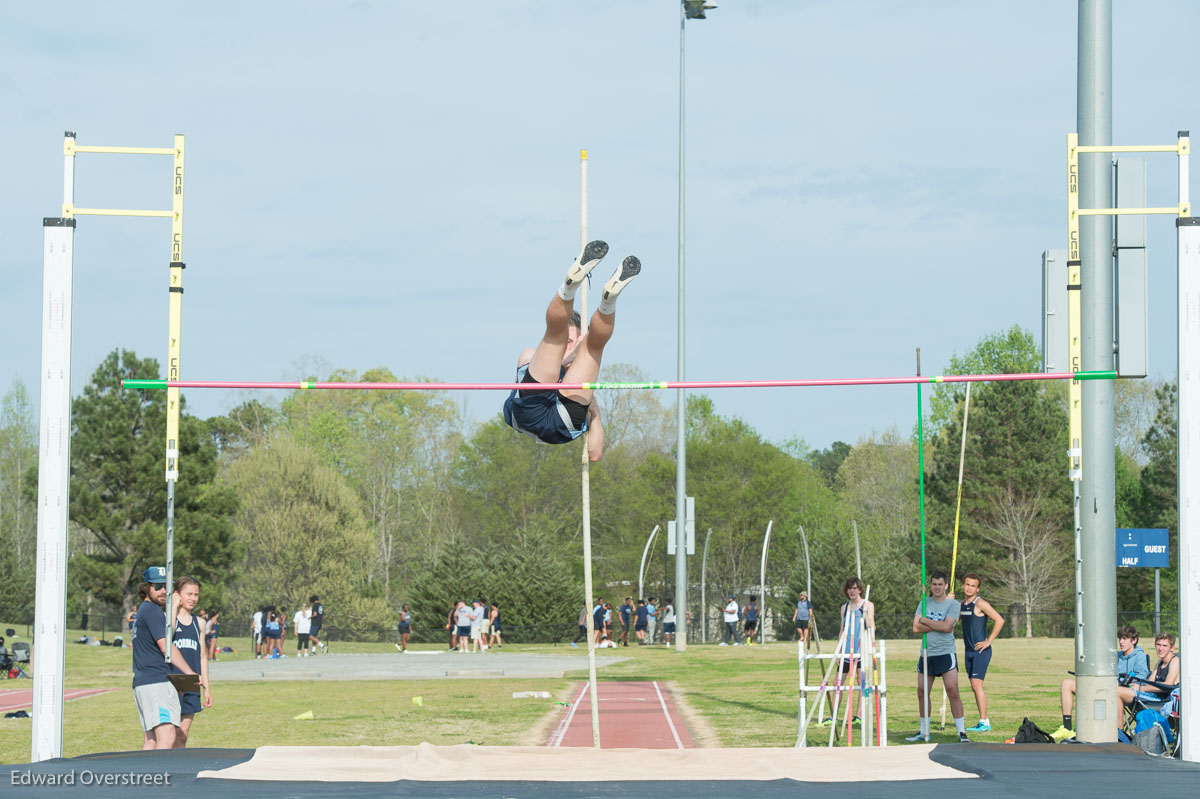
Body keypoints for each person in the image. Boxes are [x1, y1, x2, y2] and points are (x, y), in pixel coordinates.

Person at [502, 241, 641, 462]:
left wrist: (595, 414)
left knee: (593, 344)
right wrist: (572, 355)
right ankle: (570, 288)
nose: (570, 346)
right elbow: (531, 359)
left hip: (563, 422)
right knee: (558, 337)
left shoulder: (582, 385)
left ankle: (608, 300)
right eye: (569, 342)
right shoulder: (530, 354)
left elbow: (595, 454)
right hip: (531, 411)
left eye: (573, 341)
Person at [131, 566, 196, 750]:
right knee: (167, 737)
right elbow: (166, 646)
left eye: (166, 586)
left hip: (144, 682)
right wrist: (189, 673)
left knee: (151, 740)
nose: (163, 591)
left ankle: (145, 778)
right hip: (156, 683)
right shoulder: (152, 611)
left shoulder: (144, 611)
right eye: (158, 586)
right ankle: (160, 778)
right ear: (146, 587)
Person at [1054, 625, 1150, 741]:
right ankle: (1067, 729)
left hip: (1124, 691)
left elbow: (1142, 677)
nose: (1121, 642)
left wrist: (1122, 682)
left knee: (1115, 691)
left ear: (1134, 640)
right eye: (1120, 639)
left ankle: (1119, 734)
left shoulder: (1139, 656)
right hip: (1105, 686)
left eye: (1125, 639)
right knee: (1067, 683)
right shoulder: (1116, 656)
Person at [907, 570, 967, 743]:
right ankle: (924, 731)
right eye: (934, 584)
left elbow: (948, 628)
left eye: (940, 584)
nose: (937, 587)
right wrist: (936, 625)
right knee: (922, 691)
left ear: (946, 585)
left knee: (952, 690)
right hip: (927, 653)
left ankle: (961, 732)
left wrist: (926, 621)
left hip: (946, 652)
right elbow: (916, 628)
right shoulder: (924, 603)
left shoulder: (954, 604)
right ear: (930, 586)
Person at [958, 573, 1005, 732]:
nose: (969, 588)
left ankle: (984, 722)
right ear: (963, 586)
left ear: (977, 589)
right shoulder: (961, 605)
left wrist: (988, 641)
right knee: (974, 685)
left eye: (973, 586)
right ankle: (983, 720)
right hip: (968, 651)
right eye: (967, 584)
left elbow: (999, 620)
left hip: (981, 651)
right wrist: (949, 603)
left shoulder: (980, 604)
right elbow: (951, 622)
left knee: (977, 685)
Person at [170, 577, 213, 748]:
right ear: (177, 594)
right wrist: (173, 606)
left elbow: (203, 656)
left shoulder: (200, 623)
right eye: (188, 594)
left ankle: (178, 770)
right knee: (168, 733)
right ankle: (164, 767)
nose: (193, 598)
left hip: (191, 683)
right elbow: (169, 632)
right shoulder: (167, 619)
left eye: (196, 595)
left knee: (182, 734)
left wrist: (207, 688)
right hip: (171, 682)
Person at [1117, 632, 1180, 718]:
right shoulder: (1160, 663)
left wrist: (1141, 688)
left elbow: (1168, 685)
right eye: (1158, 645)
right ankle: (1118, 728)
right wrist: (1132, 685)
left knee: (1117, 692)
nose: (1160, 648)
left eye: (1164, 646)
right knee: (1116, 690)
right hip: (1153, 695)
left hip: (1163, 700)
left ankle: (1119, 729)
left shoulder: (1175, 661)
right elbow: (1149, 683)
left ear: (1172, 648)